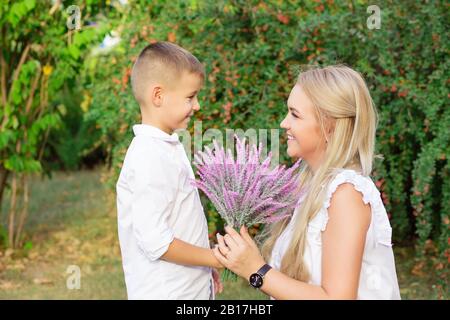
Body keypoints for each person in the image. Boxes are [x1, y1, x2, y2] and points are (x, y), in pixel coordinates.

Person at [214, 64, 401, 300]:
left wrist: (256, 270)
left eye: (295, 114)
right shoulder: (309, 187)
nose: (284, 123)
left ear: (330, 126)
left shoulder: (346, 194)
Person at [116, 41, 223, 300]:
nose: (197, 105)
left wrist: (204, 263)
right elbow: (156, 241)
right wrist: (215, 258)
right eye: (190, 97)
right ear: (158, 96)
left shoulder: (165, 146)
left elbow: (177, 221)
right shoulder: (149, 156)